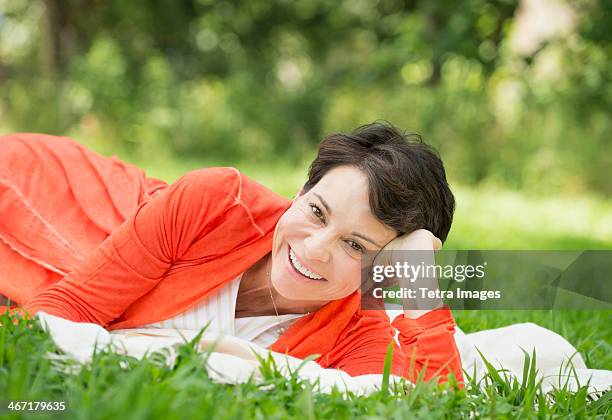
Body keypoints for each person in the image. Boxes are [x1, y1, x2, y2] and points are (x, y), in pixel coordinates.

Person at [0, 122, 463, 384]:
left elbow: (430, 403)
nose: (315, 248)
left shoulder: (359, 329)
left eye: (355, 245)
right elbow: (68, 307)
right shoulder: (217, 201)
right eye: (318, 211)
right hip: (35, 195)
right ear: (301, 192)